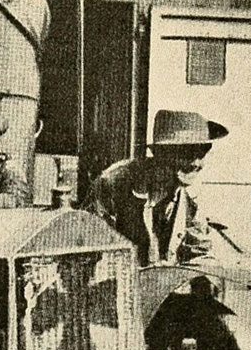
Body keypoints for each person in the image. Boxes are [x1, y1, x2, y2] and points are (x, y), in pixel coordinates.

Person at [84, 109, 229, 266]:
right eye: (187, 153)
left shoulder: (190, 197)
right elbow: (87, 246)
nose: (196, 163)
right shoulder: (113, 183)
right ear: (160, 153)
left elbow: (200, 254)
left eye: (202, 152)